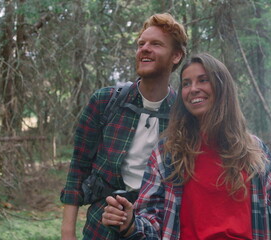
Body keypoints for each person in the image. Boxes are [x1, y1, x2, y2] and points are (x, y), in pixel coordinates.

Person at [101, 53, 271, 240]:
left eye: (203, 80)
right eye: (186, 83)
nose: (193, 89)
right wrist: (131, 222)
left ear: (221, 87)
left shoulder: (253, 150)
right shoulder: (167, 153)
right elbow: (154, 220)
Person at [60, 13, 188, 240]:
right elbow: (78, 167)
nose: (144, 49)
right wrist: (68, 233)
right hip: (101, 227)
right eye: (141, 44)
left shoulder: (184, 115)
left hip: (155, 229)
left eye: (156, 44)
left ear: (176, 55)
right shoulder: (105, 101)